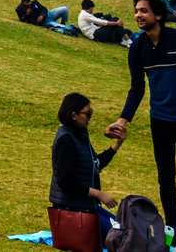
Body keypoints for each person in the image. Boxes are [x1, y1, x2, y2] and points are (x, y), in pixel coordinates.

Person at [105, 0, 176, 239]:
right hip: (160, 121)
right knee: (165, 178)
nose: (138, 15)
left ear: (158, 14)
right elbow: (137, 88)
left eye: (143, 10)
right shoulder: (137, 48)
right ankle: (173, 234)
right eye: (136, 11)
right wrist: (122, 120)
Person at [50, 91, 124, 247]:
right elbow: (65, 182)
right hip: (71, 210)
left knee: (123, 229)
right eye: (88, 113)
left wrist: (117, 144)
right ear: (74, 115)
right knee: (120, 239)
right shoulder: (67, 141)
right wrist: (99, 194)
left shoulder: (79, 135)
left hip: (85, 206)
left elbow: (93, 164)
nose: (90, 117)